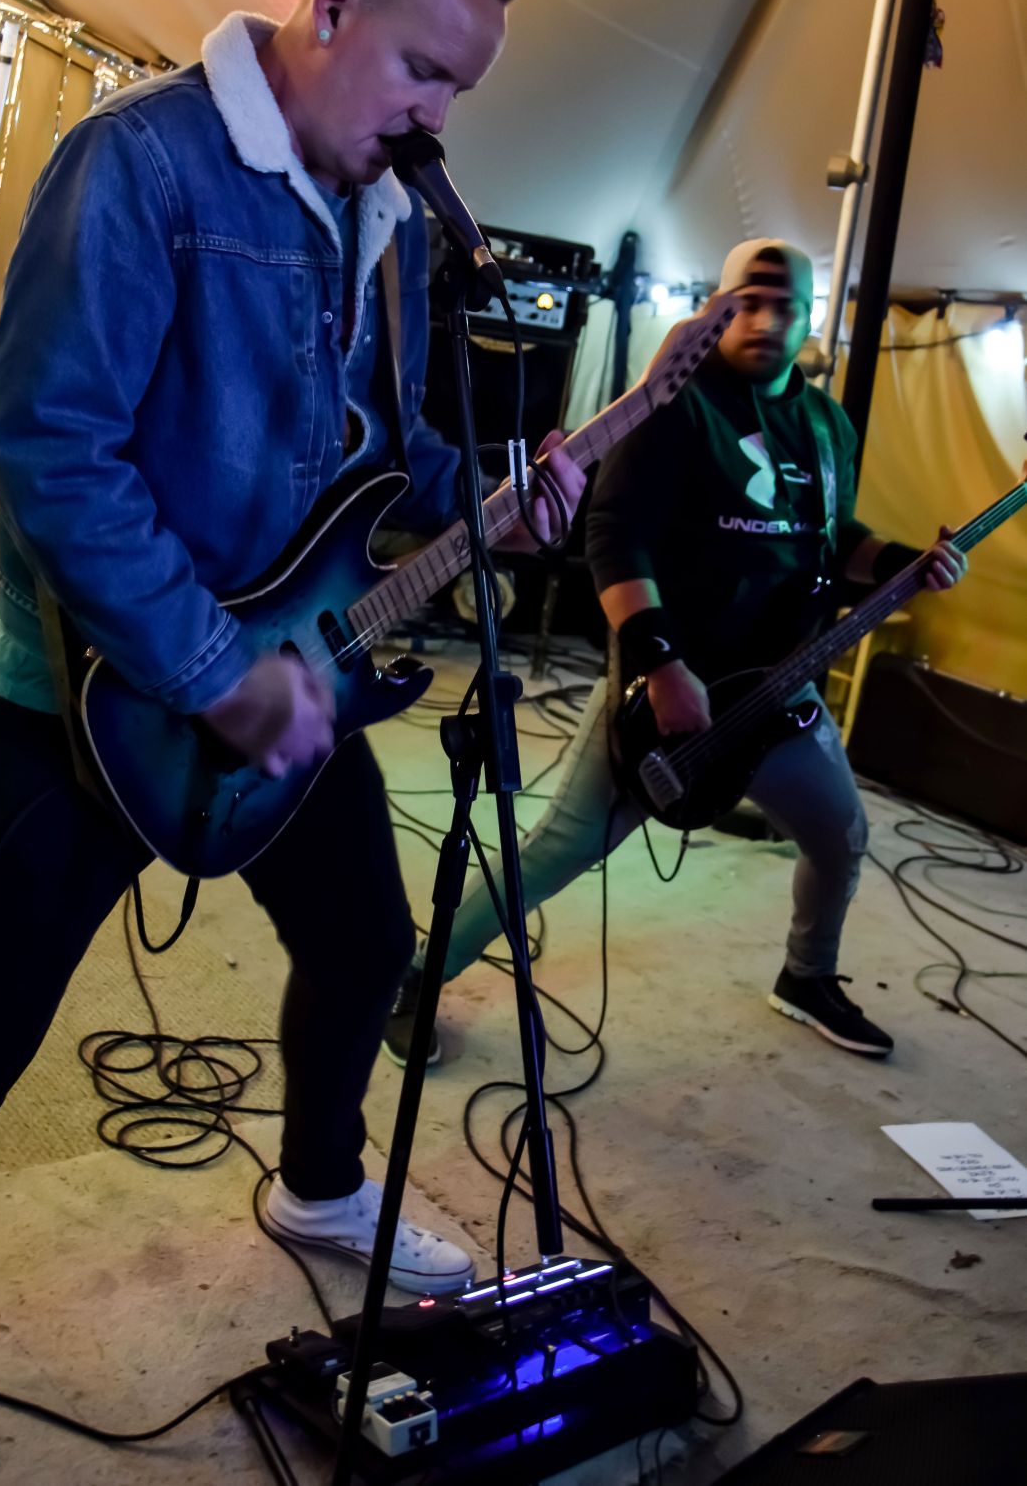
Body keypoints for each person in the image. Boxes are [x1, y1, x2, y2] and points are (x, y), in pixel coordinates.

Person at [0, 0, 583, 1302]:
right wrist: (211, 670)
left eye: (459, 89)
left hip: (292, 673)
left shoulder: (385, 216)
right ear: (332, 4)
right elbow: (50, 447)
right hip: (91, 706)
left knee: (365, 943)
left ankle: (318, 1186)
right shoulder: (138, 162)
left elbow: (385, 447)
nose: (435, 116)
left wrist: (494, 498)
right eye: (422, 68)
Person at [385, 239, 967, 1066]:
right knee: (559, 847)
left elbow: (837, 541)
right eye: (747, 301)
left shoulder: (826, 424)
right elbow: (612, 536)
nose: (764, 320)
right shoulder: (673, 404)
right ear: (716, 307)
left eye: (785, 305)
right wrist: (661, 665)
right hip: (669, 688)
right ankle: (414, 977)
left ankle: (807, 975)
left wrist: (910, 563)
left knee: (841, 836)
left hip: (776, 692)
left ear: (809, 317)